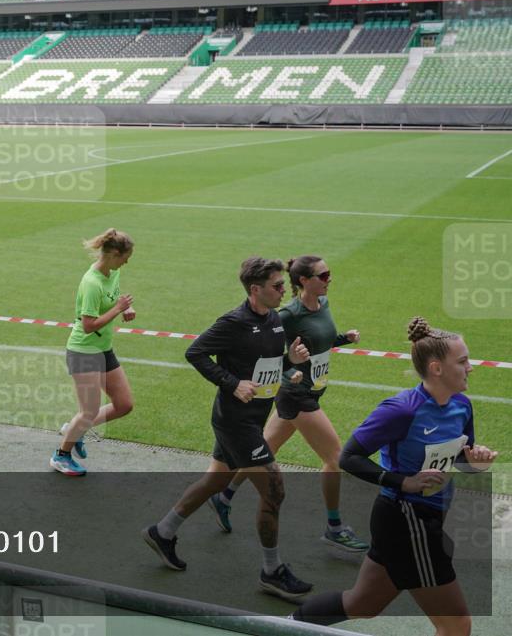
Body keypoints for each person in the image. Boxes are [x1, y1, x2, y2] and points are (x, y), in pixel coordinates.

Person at [291, 317, 497, 636]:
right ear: (436, 368)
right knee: (457, 625)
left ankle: (286, 627)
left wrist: (475, 462)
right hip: (407, 521)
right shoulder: (402, 410)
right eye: (463, 361)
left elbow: (459, 457)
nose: (470, 367)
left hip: (427, 516)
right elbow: (350, 457)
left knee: (363, 605)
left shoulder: (461, 406)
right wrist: (405, 482)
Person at [142, 257, 313, 600]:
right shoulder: (233, 322)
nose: (284, 290)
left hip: (254, 417)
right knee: (274, 489)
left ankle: (162, 532)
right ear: (255, 290)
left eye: (283, 285)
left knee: (217, 479)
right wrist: (232, 383)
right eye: (277, 286)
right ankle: (271, 571)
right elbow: (196, 352)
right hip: (235, 422)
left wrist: (287, 365)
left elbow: (263, 364)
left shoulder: (276, 320)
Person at [207, 256, 369, 554]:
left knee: (263, 450)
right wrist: (285, 372)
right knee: (336, 457)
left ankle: (224, 496)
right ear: (304, 281)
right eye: (323, 275)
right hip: (297, 396)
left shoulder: (323, 305)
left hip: (312, 393)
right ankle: (334, 527)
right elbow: (265, 351)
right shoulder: (287, 315)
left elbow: (320, 341)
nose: (329, 278)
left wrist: (344, 338)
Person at [50, 229, 136, 476]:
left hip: (104, 348)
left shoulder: (113, 271)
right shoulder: (91, 282)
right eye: (125, 257)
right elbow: (88, 326)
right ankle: (61, 456)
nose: (127, 262)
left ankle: (75, 429)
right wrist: (119, 308)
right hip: (84, 351)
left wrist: (126, 308)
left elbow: (112, 299)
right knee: (88, 410)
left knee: (124, 404)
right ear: (114, 254)